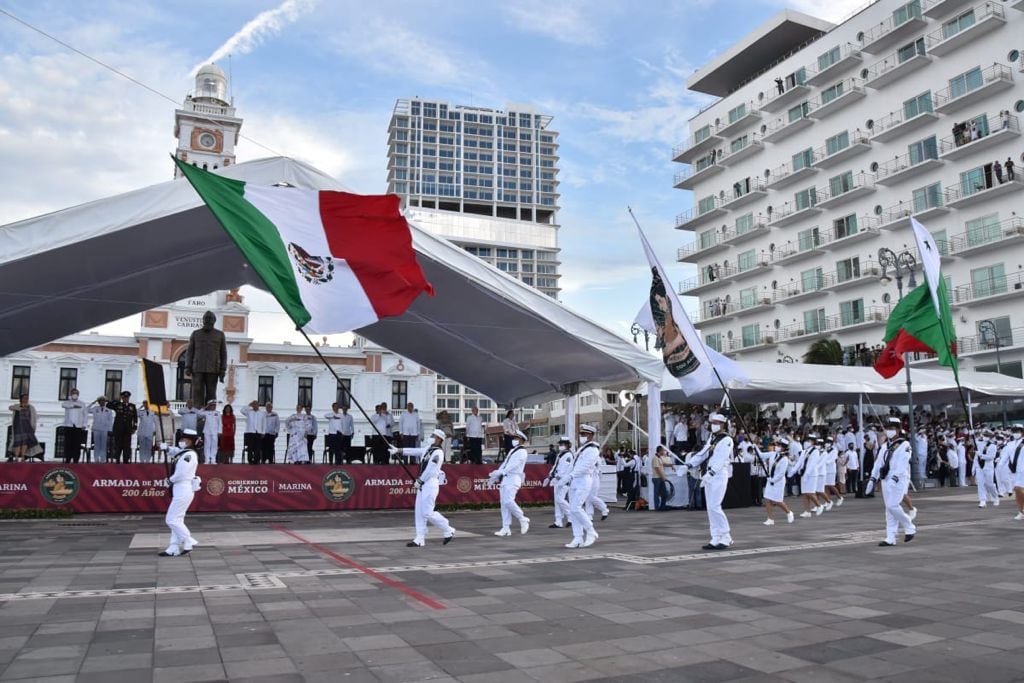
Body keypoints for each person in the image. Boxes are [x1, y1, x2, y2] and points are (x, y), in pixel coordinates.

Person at [389, 429, 455, 547]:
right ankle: (420, 538)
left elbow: (431, 469)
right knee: (419, 512)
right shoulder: (429, 448)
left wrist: (420, 480)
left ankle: (447, 528)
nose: (431, 437)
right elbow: (416, 451)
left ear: (439, 439)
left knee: (427, 512)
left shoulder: (438, 453)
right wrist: (399, 450)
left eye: (433, 435)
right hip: (423, 483)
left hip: (430, 483)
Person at [687, 413, 734, 549]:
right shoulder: (712, 438)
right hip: (709, 475)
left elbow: (720, 458)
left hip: (718, 475)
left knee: (715, 506)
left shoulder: (726, 440)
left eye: (715, 423)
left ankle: (726, 536)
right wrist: (689, 464)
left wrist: (711, 473)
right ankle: (715, 537)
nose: (712, 425)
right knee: (710, 508)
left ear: (722, 424)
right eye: (712, 422)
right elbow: (703, 453)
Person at [868, 417, 916, 546]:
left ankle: (909, 526)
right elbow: (878, 463)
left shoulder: (905, 445)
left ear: (899, 430)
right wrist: (872, 479)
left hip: (899, 479)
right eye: (888, 428)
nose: (889, 431)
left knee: (892, 505)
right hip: (886, 479)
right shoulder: (885, 445)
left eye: (892, 428)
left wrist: (895, 478)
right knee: (888, 510)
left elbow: (902, 463)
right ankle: (891, 537)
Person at [160, 429, 200, 557]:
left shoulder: (190, 455)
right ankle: (173, 547)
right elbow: (174, 452)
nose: (182, 442)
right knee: (177, 519)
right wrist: (166, 448)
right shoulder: (184, 452)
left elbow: (181, 473)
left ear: (191, 442)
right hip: (180, 489)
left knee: (171, 519)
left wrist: (169, 480)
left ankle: (188, 540)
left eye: (185, 440)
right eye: (181, 439)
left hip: (183, 488)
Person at [489, 428, 531, 536]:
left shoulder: (522, 451)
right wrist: (497, 475)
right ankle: (506, 528)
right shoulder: (513, 450)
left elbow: (513, 465)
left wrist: (501, 471)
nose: (514, 440)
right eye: (514, 438)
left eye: (516, 438)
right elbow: (505, 463)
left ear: (521, 440)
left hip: (514, 478)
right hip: (506, 478)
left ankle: (522, 518)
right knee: (504, 504)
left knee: (508, 501)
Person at [566, 424, 601, 549]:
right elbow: (573, 465)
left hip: (584, 480)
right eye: (581, 434)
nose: (581, 437)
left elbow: (584, 467)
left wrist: (571, 475)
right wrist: (563, 478)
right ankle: (578, 537)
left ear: (591, 435)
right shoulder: (582, 449)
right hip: (575, 481)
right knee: (572, 510)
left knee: (576, 508)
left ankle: (591, 531)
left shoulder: (593, 450)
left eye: (584, 434)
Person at [186, 310, 227, 406]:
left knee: (211, 392)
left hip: (213, 368)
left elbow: (223, 353)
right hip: (197, 368)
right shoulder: (196, 334)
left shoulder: (220, 335)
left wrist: (223, 369)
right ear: (203, 320)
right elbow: (190, 351)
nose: (208, 321)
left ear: (214, 321)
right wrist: (188, 366)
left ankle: (210, 413)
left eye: (210, 319)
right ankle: (198, 412)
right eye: (206, 319)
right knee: (197, 391)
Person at [763, 439, 795, 525]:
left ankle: (789, 512)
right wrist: (755, 447)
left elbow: (781, 474)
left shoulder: (784, 459)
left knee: (777, 500)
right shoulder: (773, 454)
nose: (776, 447)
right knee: (767, 498)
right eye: (777, 445)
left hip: (778, 481)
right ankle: (770, 519)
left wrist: (773, 480)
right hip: (770, 480)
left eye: (779, 445)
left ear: (783, 448)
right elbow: (762, 455)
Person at [548, 436, 574, 528]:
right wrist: (550, 475)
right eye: (560, 444)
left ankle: (571, 517)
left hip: (563, 481)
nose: (561, 445)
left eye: (563, 444)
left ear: (567, 445)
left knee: (560, 500)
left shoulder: (569, 455)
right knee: (557, 501)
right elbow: (555, 466)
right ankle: (558, 521)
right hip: (557, 480)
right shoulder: (561, 454)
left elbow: (564, 470)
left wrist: (556, 477)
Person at [108, 390, 138, 463]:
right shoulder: (118, 405)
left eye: (127, 398)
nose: (125, 399)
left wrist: (134, 427)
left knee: (127, 445)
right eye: (124, 397)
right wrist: (115, 400)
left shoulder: (132, 406)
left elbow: (135, 418)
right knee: (118, 445)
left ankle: (126, 460)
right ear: (122, 398)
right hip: (118, 428)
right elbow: (108, 405)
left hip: (128, 429)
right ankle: (117, 459)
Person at [7, 394, 39, 462]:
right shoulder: (17, 406)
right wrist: (20, 407)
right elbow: (10, 407)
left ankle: (23, 457)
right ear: (21, 399)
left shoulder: (31, 407)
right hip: (18, 426)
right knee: (17, 442)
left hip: (27, 427)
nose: (25, 399)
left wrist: (34, 427)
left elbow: (34, 418)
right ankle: (16, 457)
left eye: (27, 398)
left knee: (25, 442)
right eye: (24, 398)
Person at [60, 389, 87, 463]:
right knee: (68, 444)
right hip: (69, 425)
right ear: (71, 394)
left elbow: (85, 415)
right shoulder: (67, 402)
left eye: (76, 393)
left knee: (77, 444)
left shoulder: (82, 403)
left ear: (78, 394)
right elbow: (63, 405)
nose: (74, 394)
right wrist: (73, 405)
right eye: (73, 393)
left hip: (78, 426)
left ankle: (76, 460)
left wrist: (84, 424)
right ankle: (68, 459)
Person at [975, 429, 999, 507]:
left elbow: (991, 457)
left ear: (990, 437)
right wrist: (972, 433)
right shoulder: (979, 444)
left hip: (988, 467)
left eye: (987, 436)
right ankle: (982, 500)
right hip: (979, 467)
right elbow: (973, 442)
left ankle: (995, 497)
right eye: (984, 435)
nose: (985, 437)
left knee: (990, 484)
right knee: (980, 484)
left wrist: (981, 455)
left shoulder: (993, 446)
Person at [88, 397, 114, 462]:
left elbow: (110, 420)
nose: (102, 402)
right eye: (101, 401)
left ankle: (103, 459)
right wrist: (93, 403)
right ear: (99, 402)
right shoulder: (95, 408)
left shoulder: (109, 410)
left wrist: (110, 429)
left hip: (104, 429)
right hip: (96, 428)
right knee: (96, 444)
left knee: (103, 444)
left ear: (105, 402)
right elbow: (86, 409)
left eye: (103, 401)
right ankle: (96, 458)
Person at [198, 400, 221, 465]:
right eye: (212, 405)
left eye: (214, 405)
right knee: (207, 445)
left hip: (215, 431)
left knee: (214, 445)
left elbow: (220, 423)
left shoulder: (218, 413)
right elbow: (199, 413)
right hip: (207, 431)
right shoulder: (206, 412)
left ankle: (213, 459)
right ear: (210, 406)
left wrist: (219, 431)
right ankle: (207, 459)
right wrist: (206, 407)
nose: (214, 406)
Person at [651, 445, 669, 511]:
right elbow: (657, 468)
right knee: (657, 493)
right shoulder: (655, 458)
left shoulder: (659, 458)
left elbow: (663, 464)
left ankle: (663, 506)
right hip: (657, 478)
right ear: (660, 451)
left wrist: (670, 465)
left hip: (660, 477)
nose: (664, 452)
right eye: (663, 450)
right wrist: (662, 477)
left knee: (664, 493)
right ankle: (657, 507)